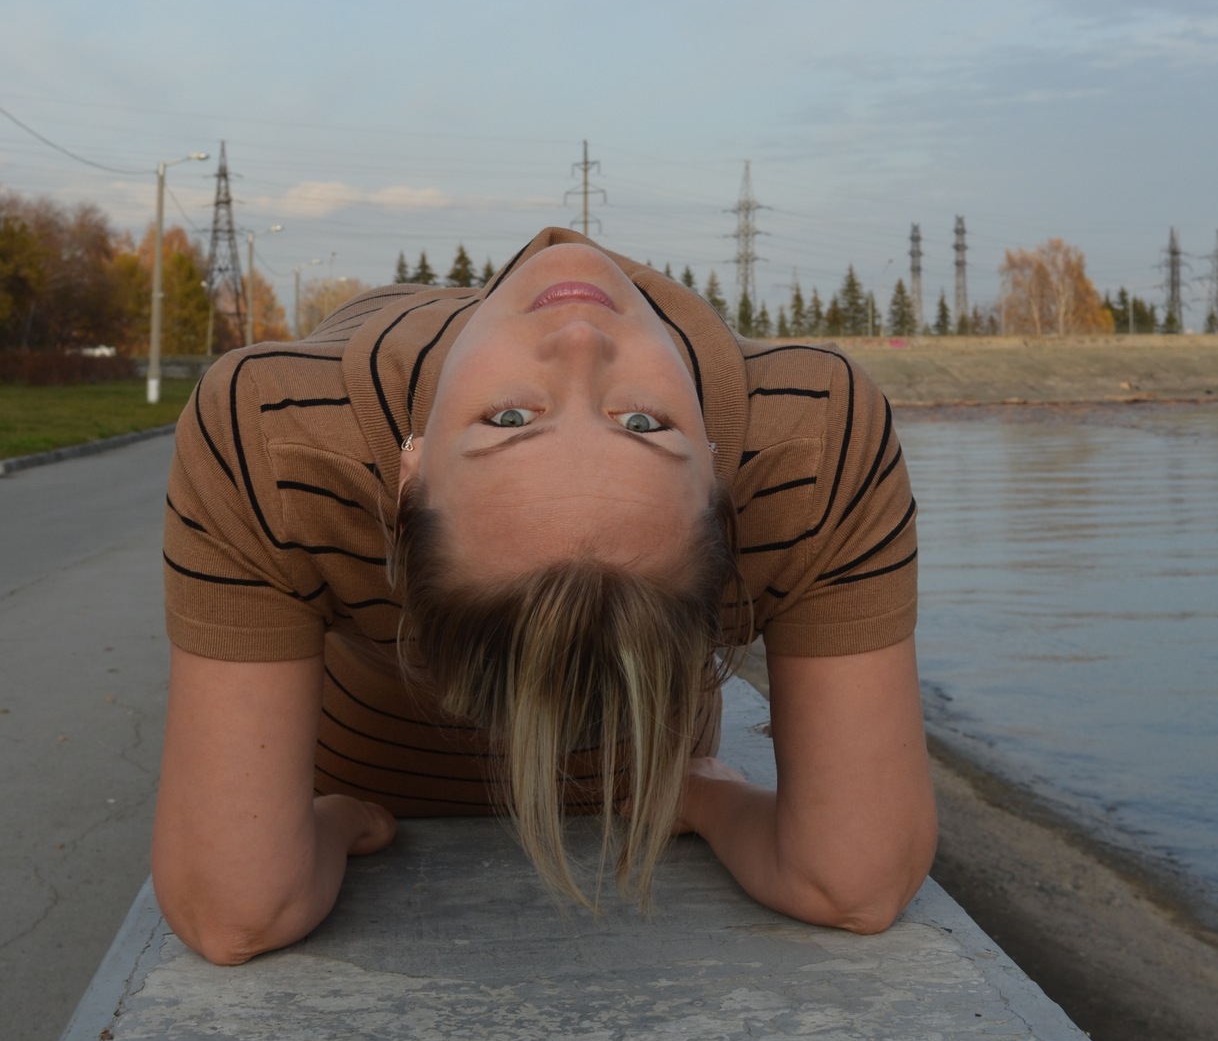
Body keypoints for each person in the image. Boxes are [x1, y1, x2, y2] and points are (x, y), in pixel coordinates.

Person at [153, 227, 936, 964]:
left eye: (509, 420)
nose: (581, 341)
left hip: (386, 786)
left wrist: (340, 817)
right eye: (643, 424)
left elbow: (237, 909)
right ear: (717, 475)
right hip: (640, 800)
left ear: (411, 478)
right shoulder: (814, 430)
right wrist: (707, 799)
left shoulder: (265, 425)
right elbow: (850, 884)